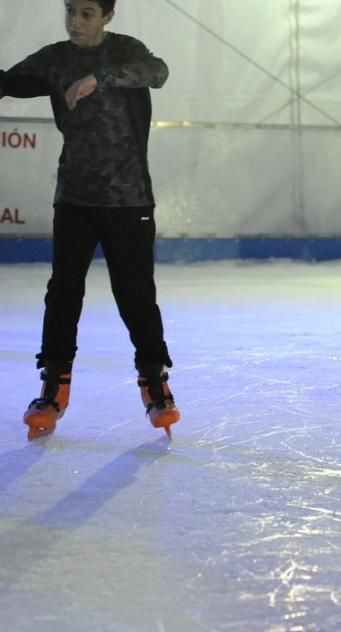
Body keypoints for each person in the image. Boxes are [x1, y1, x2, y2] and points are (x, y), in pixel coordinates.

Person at [0, 0, 180, 439]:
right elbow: (8, 82)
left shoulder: (125, 51)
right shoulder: (56, 58)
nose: (76, 22)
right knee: (64, 291)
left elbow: (158, 71)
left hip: (128, 199)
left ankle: (154, 381)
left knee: (136, 293)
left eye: (86, 14)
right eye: (71, 12)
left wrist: (99, 78)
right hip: (75, 198)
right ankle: (53, 385)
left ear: (107, 16)